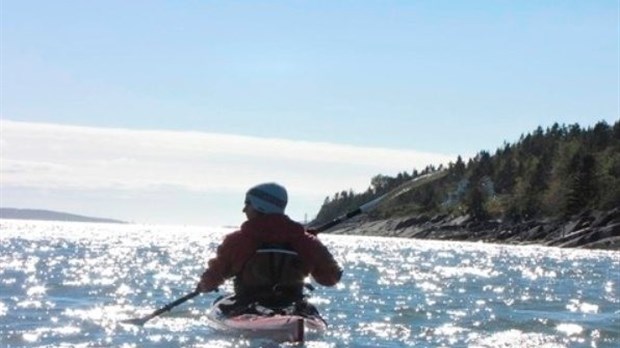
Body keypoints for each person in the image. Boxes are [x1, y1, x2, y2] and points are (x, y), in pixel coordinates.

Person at [196, 182, 343, 317]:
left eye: (248, 203)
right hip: (292, 307)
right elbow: (331, 278)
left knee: (221, 303)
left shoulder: (237, 241)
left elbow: (212, 280)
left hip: (247, 307)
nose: (244, 209)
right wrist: (312, 245)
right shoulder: (306, 241)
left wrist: (204, 285)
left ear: (261, 206)